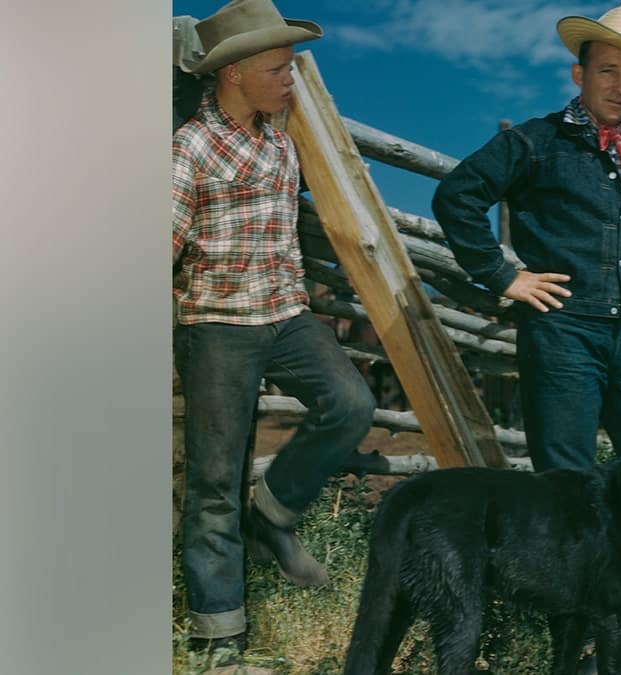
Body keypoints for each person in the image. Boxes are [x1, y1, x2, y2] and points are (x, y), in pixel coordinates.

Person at [432, 4, 621, 674]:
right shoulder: (537, 143)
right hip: (562, 335)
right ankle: (583, 650)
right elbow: (458, 194)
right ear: (580, 71)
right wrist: (504, 274)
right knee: (570, 499)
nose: (619, 85)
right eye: (607, 70)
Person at [172, 0, 376, 665]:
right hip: (218, 325)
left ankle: (273, 512)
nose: (291, 78)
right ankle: (219, 634)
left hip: (286, 315)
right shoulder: (190, 147)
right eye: (278, 67)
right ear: (232, 74)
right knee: (213, 484)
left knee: (351, 403)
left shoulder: (280, 142)